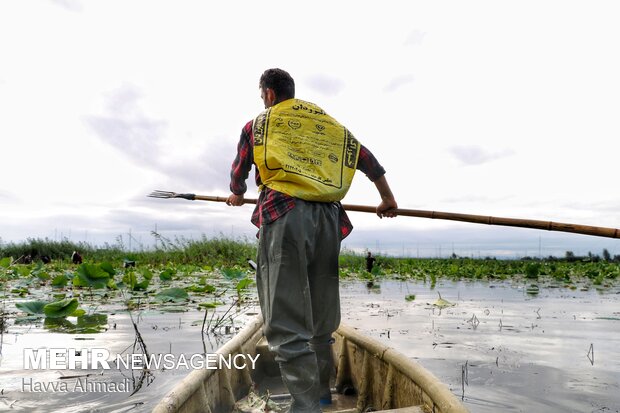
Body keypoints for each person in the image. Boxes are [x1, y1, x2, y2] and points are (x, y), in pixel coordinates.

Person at [227, 68, 397, 412]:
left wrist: (237, 194)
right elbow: (369, 161)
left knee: (285, 319)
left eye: (262, 96)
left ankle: (306, 407)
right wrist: (387, 199)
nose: (263, 101)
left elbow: (239, 172)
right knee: (322, 313)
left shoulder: (258, 124)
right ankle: (321, 393)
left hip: (286, 214)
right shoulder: (331, 127)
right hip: (329, 218)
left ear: (269, 94)